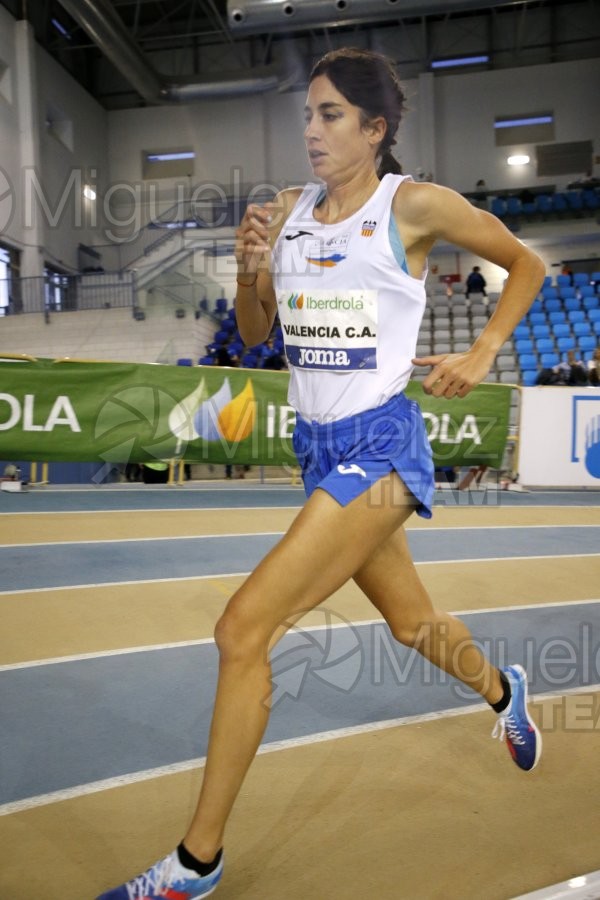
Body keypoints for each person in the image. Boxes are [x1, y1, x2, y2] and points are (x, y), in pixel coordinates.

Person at [97, 48, 546, 900]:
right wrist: (249, 267)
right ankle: (502, 688)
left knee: (242, 630)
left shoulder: (410, 205)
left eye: (331, 114)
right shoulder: (288, 210)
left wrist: (485, 349)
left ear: (376, 130)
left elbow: (528, 262)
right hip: (317, 448)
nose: (311, 129)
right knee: (412, 626)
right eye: (307, 113)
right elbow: (258, 333)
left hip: (380, 447)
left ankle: (197, 864)